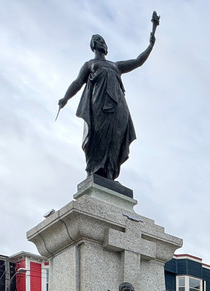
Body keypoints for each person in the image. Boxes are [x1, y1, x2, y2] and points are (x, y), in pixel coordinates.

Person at [56, 13, 160, 182]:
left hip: (118, 107)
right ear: (93, 45)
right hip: (98, 105)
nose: (103, 43)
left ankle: (110, 173)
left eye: (104, 41)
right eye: (99, 40)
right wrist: (65, 97)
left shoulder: (115, 66)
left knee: (115, 137)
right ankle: (94, 171)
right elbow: (77, 82)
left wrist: (151, 44)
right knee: (98, 135)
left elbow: (138, 61)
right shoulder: (90, 65)